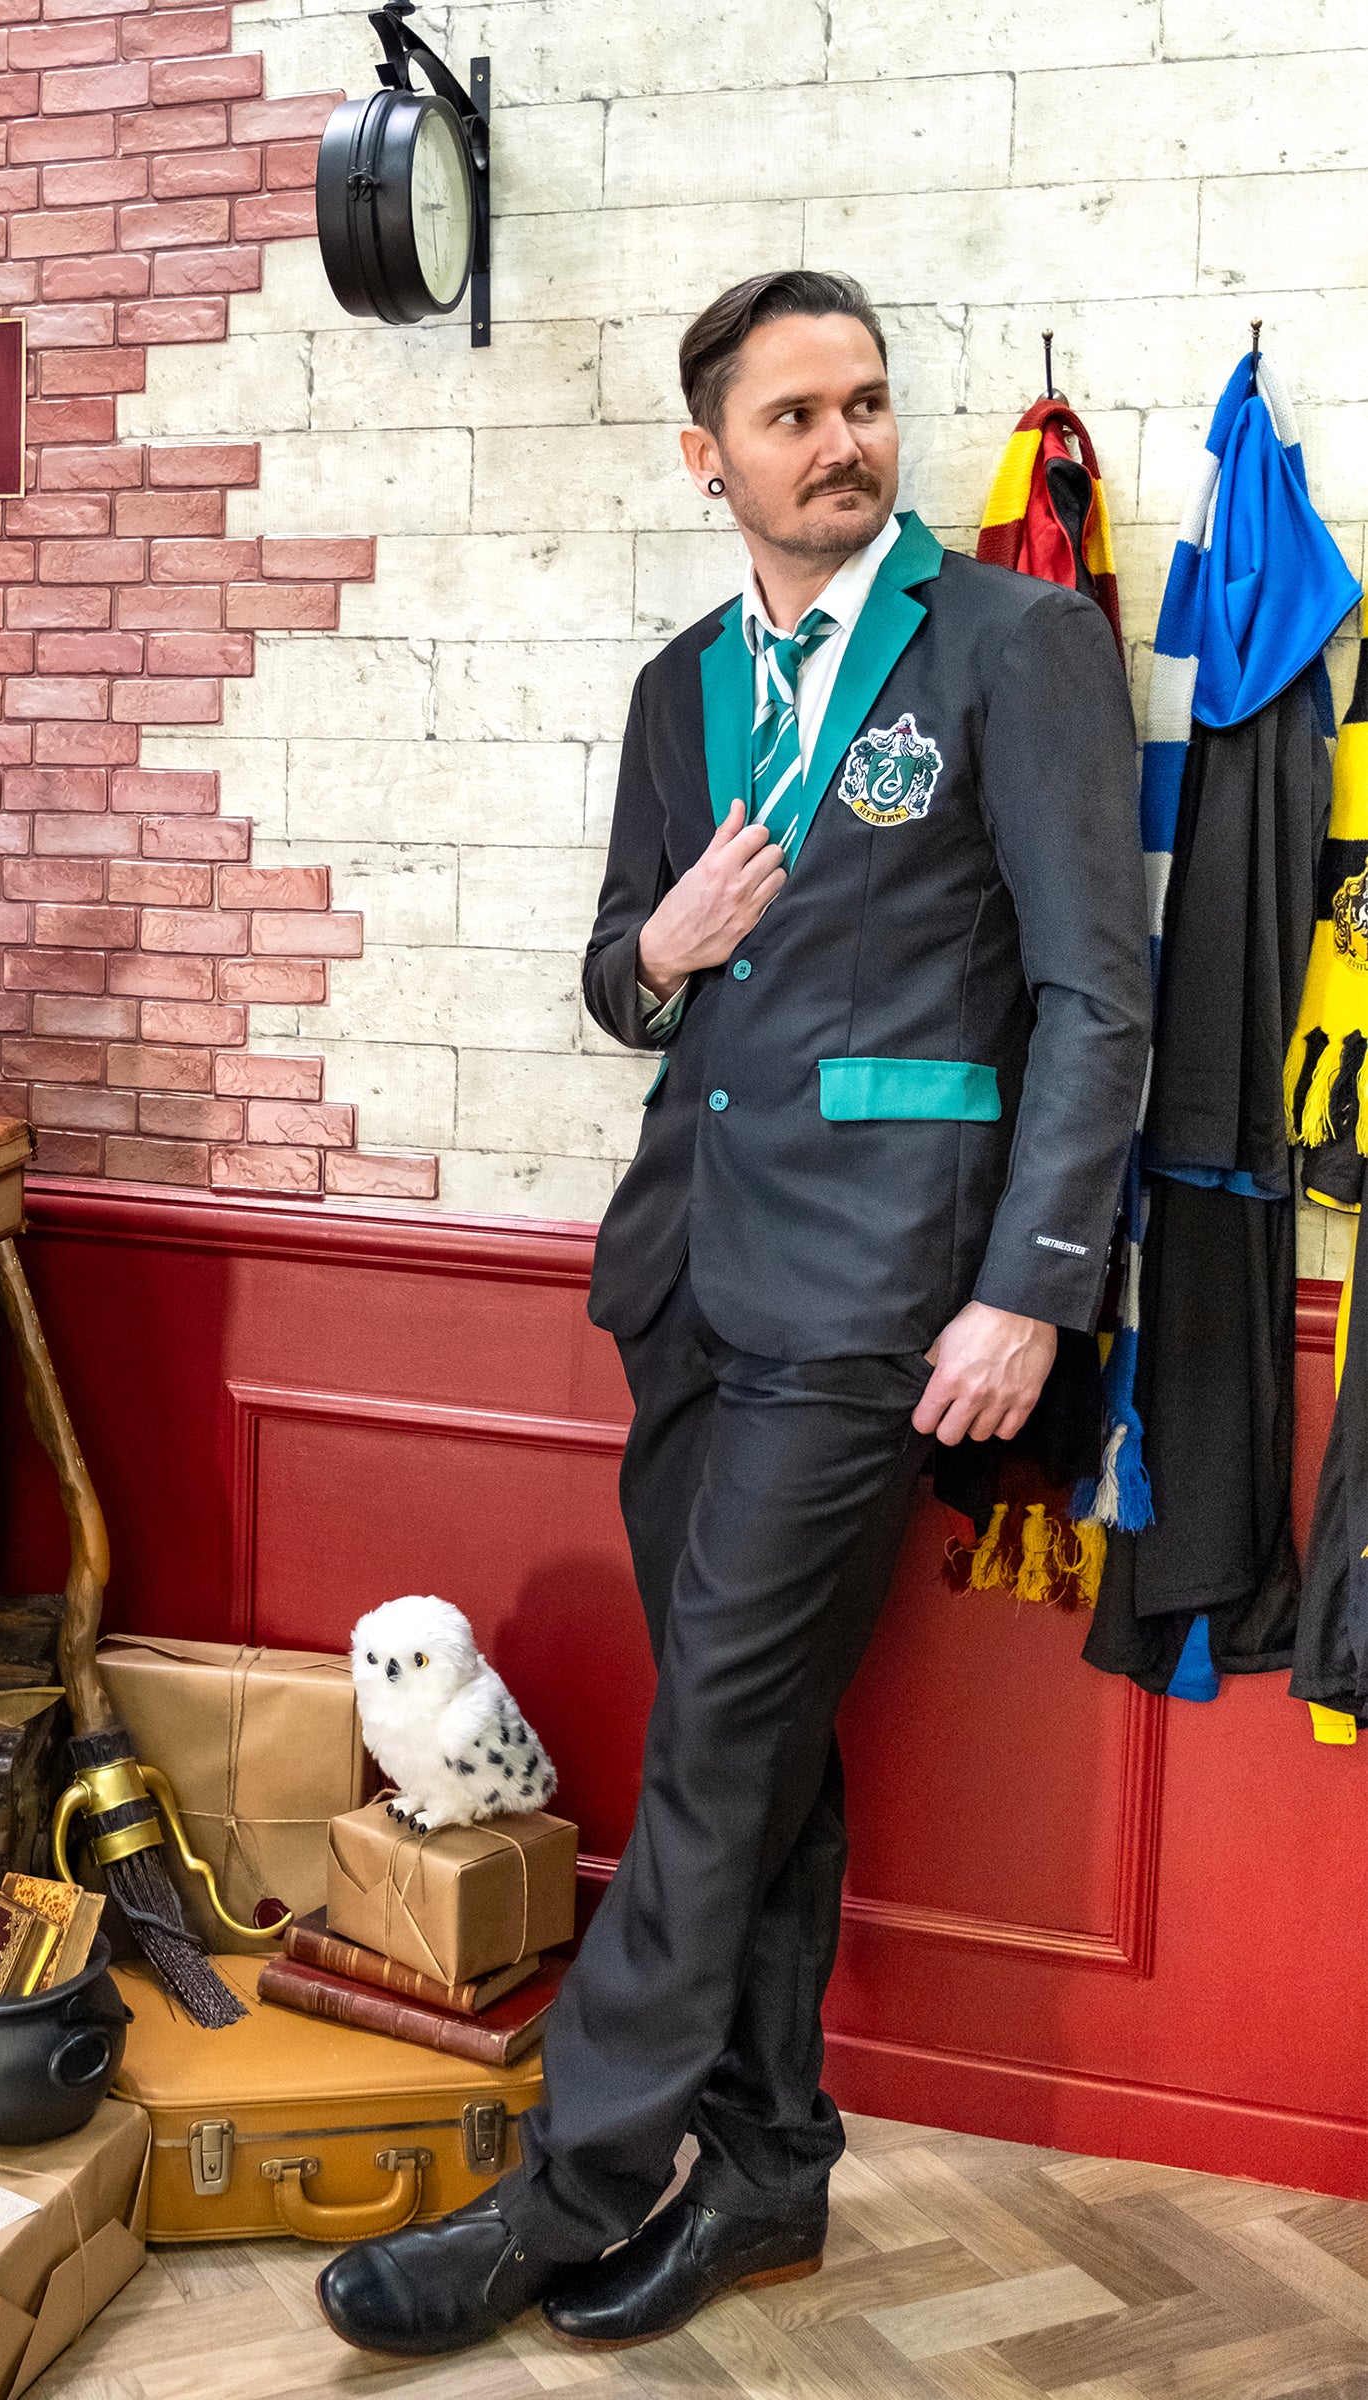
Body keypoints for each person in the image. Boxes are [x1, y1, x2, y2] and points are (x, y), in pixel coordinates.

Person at [316, 268, 1152, 2359]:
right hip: (685, 1276)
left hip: (881, 1301)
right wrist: (663, 949)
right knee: (756, 1738)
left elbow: (1093, 993)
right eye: (792, 415)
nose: (841, 440)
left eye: (862, 402)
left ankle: (566, 2191)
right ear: (710, 459)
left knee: (707, 1751)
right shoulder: (679, 687)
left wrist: (1029, 1290)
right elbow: (620, 973)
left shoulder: (1012, 645)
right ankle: (770, 2171)